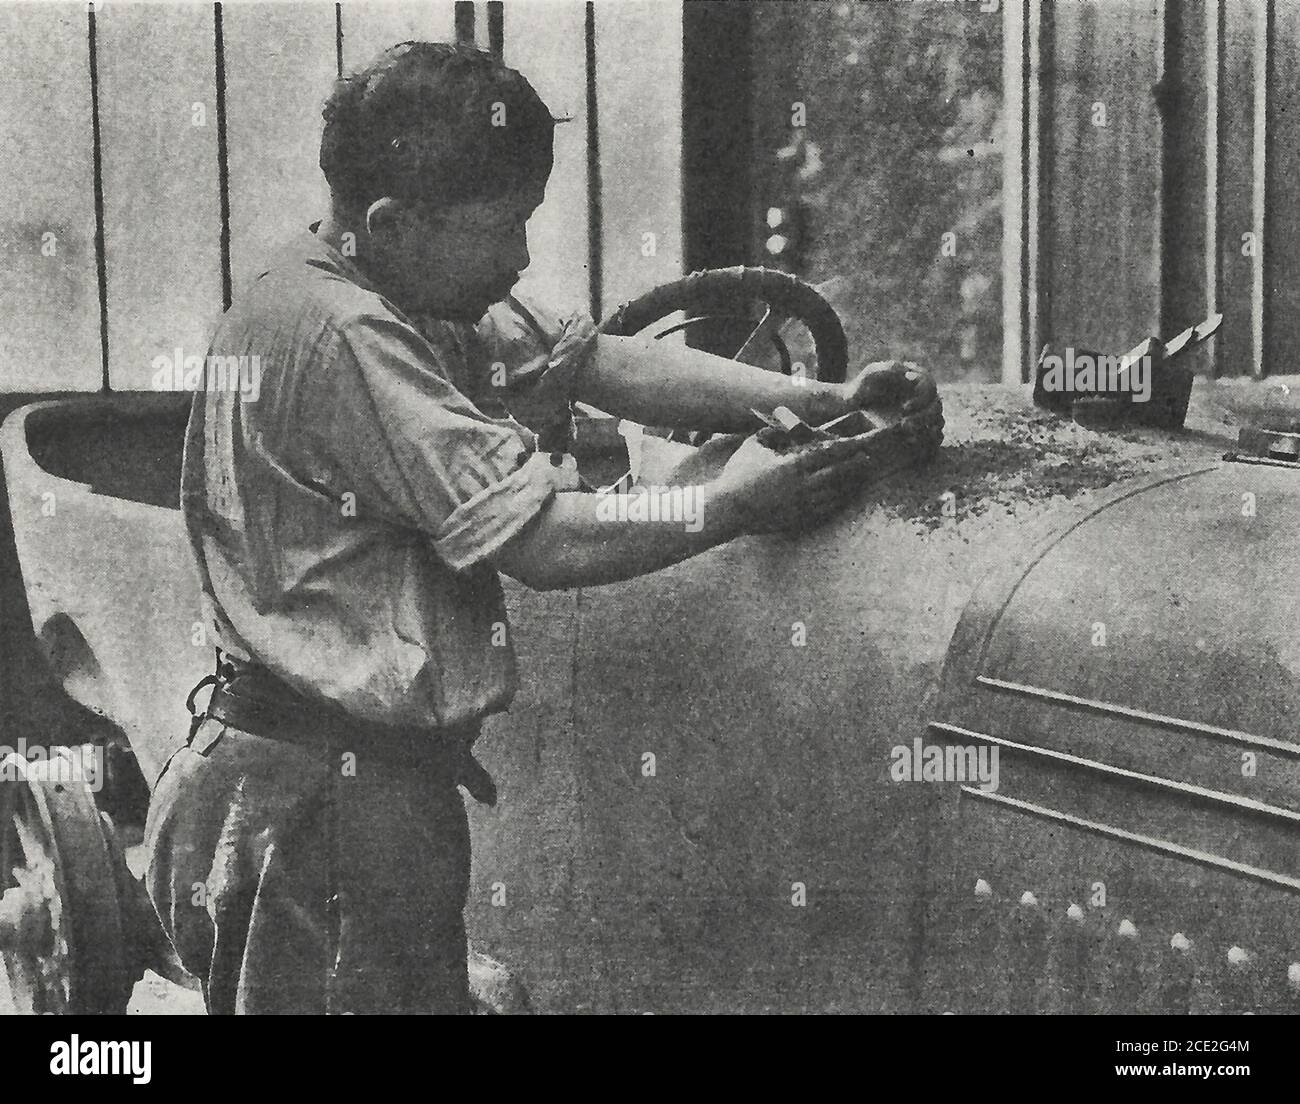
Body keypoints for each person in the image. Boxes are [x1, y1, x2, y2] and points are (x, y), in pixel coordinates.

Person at [144, 40, 942, 1015]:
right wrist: (730, 504)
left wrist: (816, 397)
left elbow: (600, 365)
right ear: (393, 224)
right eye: (503, 229)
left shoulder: (398, 289)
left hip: (338, 784)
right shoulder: (337, 335)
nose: (519, 257)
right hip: (322, 806)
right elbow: (543, 540)